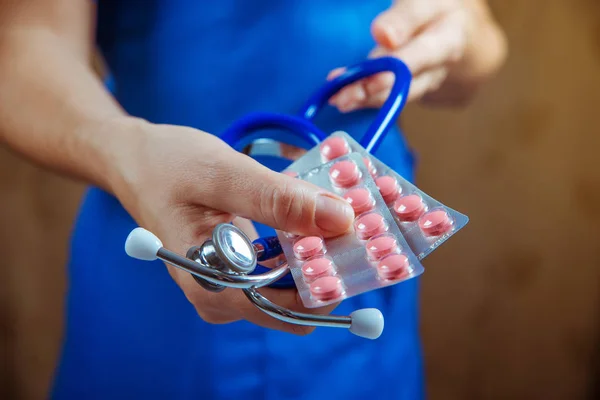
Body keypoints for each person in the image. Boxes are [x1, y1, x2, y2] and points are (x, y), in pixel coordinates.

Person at [0, 0, 506, 398]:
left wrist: (455, 36)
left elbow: (480, 41)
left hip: (363, 264)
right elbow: (24, 43)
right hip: (154, 244)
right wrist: (125, 150)